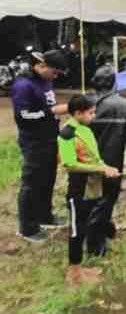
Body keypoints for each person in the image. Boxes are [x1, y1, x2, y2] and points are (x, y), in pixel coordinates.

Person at [58, 95, 120, 288]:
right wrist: (101, 169)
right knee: (77, 230)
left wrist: (107, 167)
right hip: (78, 189)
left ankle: (80, 269)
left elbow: (94, 157)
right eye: (91, 113)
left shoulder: (86, 129)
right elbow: (69, 164)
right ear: (77, 113)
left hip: (92, 187)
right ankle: (74, 273)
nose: (94, 116)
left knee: (84, 226)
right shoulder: (67, 133)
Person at [11, 49, 69, 243]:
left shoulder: (45, 81)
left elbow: (45, 105)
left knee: (48, 179)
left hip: (50, 139)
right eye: (55, 72)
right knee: (32, 184)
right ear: (42, 66)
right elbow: (23, 117)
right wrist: (51, 111)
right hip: (34, 141)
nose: (56, 76)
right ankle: (27, 228)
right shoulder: (23, 85)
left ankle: (45, 216)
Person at [88, 65, 126, 243]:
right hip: (111, 162)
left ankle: (102, 229)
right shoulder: (124, 105)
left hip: (86, 161)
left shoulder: (86, 103)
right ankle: (96, 245)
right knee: (106, 200)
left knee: (91, 198)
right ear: (114, 83)